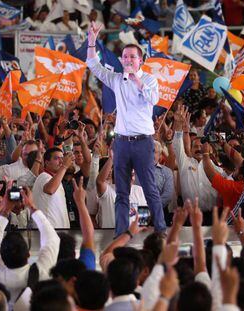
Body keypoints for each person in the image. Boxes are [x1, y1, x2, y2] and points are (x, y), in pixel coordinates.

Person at [86, 22, 166, 236]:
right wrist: (92, 42)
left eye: (133, 56)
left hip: (143, 142)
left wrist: (136, 79)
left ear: (140, 60)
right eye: (125, 56)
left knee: (149, 189)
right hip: (121, 142)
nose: (128, 59)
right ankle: (121, 232)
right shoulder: (116, 80)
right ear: (121, 60)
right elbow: (94, 66)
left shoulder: (149, 79)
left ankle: (160, 230)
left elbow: (154, 98)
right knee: (122, 192)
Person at [0, 186, 60, 307]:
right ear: (28, 254)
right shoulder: (41, 272)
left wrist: (5, 210)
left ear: (2, 258)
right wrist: (32, 206)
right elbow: (52, 239)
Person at [32, 147, 74, 228]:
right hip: (49, 232)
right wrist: (64, 166)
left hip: (59, 231)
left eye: (62, 158)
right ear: (47, 162)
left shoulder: (56, 179)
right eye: (56, 158)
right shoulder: (43, 176)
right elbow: (50, 189)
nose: (61, 161)